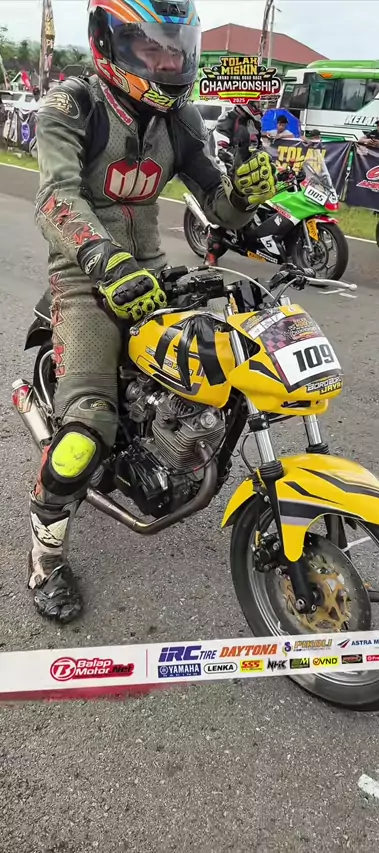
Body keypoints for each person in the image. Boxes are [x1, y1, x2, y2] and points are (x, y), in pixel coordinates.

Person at [27, 0, 276, 622]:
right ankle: (45, 559)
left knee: (226, 367)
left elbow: (217, 208)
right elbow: (55, 198)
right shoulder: (72, 106)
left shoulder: (180, 118)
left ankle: (174, 454)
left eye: (176, 47)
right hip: (85, 278)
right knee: (85, 433)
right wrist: (104, 261)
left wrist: (243, 196)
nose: (167, 62)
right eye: (151, 48)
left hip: (154, 273)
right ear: (107, 41)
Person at [205, 101, 263, 265]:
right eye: (256, 103)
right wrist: (229, 167)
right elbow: (220, 149)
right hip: (225, 168)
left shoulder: (254, 123)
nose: (259, 106)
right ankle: (211, 253)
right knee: (230, 205)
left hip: (246, 169)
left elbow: (259, 147)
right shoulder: (228, 119)